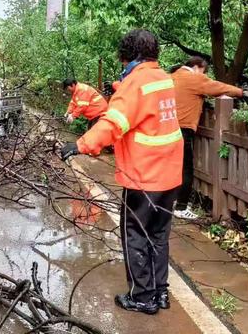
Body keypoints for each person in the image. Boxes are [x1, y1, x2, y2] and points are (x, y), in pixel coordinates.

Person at [61, 29, 183, 315]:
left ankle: (142, 298)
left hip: (144, 175)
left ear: (127, 55)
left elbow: (112, 124)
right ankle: (160, 292)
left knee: (136, 236)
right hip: (170, 173)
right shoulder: (163, 78)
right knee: (159, 235)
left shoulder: (135, 84)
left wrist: (79, 145)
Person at [171, 56, 244, 220]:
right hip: (182, 128)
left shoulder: (173, 76)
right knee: (186, 168)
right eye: (204, 71)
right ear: (197, 67)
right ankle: (181, 207)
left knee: (171, 167)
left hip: (166, 127)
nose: (205, 75)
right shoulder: (194, 78)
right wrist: (241, 92)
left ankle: (169, 200)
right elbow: (218, 87)